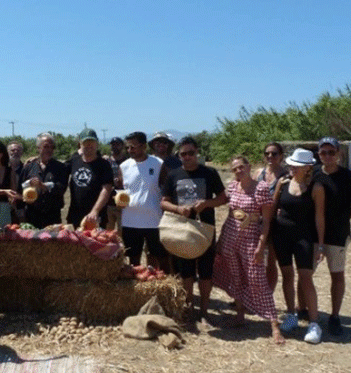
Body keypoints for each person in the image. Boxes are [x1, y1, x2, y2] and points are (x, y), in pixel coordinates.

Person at [213, 156, 284, 344]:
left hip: (251, 237)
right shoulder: (232, 187)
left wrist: (261, 245)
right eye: (234, 168)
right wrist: (221, 239)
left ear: (249, 167)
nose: (238, 171)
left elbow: (266, 220)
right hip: (230, 236)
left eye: (241, 167)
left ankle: (274, 325)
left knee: (257, 278)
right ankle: (239, 315)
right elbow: (230, 214)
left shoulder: (260, 188)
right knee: (235, 275)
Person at [160, 136, 227, 324]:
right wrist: (178, 209)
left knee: (205, 272)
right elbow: (164, 202)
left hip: (204, 230)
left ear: (197, 152)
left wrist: (206, 204)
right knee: (186, 273)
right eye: (183, 154)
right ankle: (189, 308)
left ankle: (204, 311)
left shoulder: (210, 173)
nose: (187, 157)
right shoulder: (173, 175)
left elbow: (223, 198)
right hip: (181, 230)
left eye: (191, 153)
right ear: (178, 155)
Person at [312, 137, 351, 336]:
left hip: (338, 234)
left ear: (339, 154)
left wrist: (343, 218)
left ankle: (334, 316)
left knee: (336, 274)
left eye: (331, 152)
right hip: (314, 233)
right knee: (306, 273)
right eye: (323, 152)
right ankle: (304, 310)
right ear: (318, 155)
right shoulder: (314, 174)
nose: (327, 156)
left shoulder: (349, 178)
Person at [272, 148, 325, 344]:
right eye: (291, 164)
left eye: (297, 166)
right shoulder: (283, 182)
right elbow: (272, 206)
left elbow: (320, 217)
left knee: (305, 278)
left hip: (304, 237)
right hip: (281, 236)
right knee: (287, 274)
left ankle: (314, 323)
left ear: (307, 168)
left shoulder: (316, 188)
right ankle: (292, 315)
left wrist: (319, 244)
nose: (292, 168)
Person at [119, 132, 167, 269]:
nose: (130, 150)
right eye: (128, 147)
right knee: (133, 261)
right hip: (130, 221)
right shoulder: (124, 166)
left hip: (153, 221)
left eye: (133, 147)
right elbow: (122, 190)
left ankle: (159, 285)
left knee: (159, 257)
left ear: (144, 146)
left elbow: (166, 189)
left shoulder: (158, 164)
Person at [254, 142, 290, 293]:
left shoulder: (286, 176)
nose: (270, 156)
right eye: (267, 153)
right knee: (254, 258)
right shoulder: (258, 173)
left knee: (271, 261)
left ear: (281, 156)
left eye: (274, 153)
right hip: (256, 220)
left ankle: (267, 294)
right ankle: (252, 294)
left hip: (276, 222)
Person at [65, 128, 114, 229]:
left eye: (92, 142)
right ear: (80, 145)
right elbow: (57, 168)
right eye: (86, 142)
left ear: (97, 144)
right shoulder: (74, 161)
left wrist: (95, 211)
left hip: (96, 217)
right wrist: (36, 159)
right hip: (75, 215)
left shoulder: (104, 164)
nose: (89, 145)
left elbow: (107, 189)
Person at [18, 133, 69, 229]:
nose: (49, 150)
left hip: (52, 217)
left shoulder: (60, 167)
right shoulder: (29, 167)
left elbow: (61, 188)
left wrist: (43, 185)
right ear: (38, 148)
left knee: (52, 243)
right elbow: (20, 189)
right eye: (46, 146)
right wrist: (29, 185)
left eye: (52, 147)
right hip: (32, 216)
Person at [104, 137, 128, 234]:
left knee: (123, 232)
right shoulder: (106, 161)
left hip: (123, 202)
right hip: (108, 202)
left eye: (117, 144)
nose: (115, 147)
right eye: (113, 144)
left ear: (122, 146)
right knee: (107, 232)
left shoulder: (127, 161)